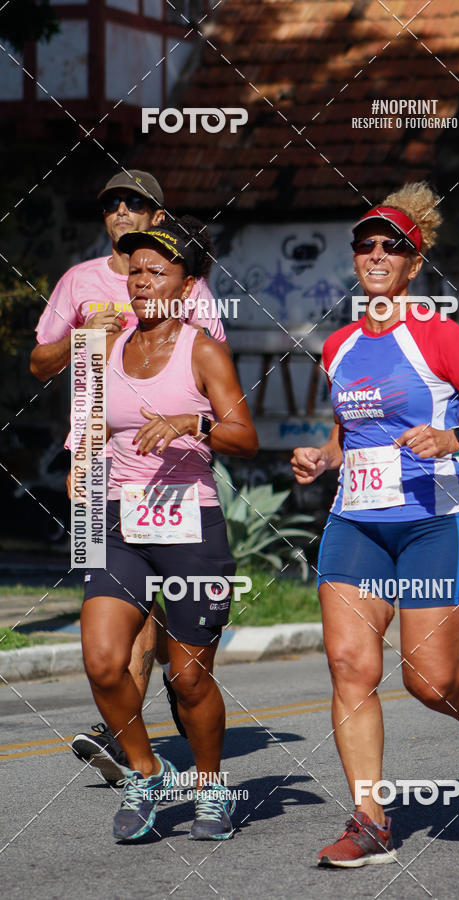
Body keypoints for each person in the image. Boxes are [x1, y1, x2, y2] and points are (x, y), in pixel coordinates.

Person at [291, 182, 459, 868]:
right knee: (349, 666)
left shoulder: (439, 336)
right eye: (364, 244)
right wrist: (323, 456)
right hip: (357, 523)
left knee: (427, 679)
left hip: (435, 521)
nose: (375, 254)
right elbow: (349, 435)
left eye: (391, 246)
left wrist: (455, 439)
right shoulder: (336, 346)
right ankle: (369, 818)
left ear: (413, 262)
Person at [30, 169, 226, 781]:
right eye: (112, 202)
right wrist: (85, 338)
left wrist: (191, 423)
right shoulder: (79, 281)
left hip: (176, 475)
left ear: (158, 217)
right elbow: (40, 363)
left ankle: (149, 716)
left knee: (163, 613)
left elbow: (214, 389)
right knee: (115, 601)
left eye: (135, 203)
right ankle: (125, 727)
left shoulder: (185, 286)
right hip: (97, 466)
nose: (121, 211)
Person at [72, 216, 257, 841]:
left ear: (188, 283)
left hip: (190, 527)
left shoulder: (203, 349)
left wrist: (190, 423)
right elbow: (91, 416)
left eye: (158, 271)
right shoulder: (108, 344)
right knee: (102, 662)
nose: (142, 281)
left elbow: (245, 437)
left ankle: (209, 788)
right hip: (121, 521)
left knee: (188, 678)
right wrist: (81, 458)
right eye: (136, 270)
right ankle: (147, 772)